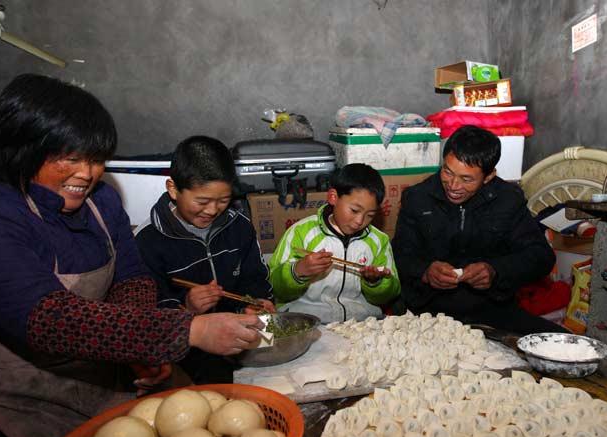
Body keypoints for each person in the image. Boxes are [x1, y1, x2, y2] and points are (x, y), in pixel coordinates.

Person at [0, 74, 261, 437]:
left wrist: (142, 353)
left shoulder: (99, 202)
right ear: (22, 145)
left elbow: (131, 278)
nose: (86, 173)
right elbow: (50, 319)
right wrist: (187, 328)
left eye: (95, 159)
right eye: (69, 156)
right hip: (20, 393)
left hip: (107, 366)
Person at [392, 125, 566, 335]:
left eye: (467, 179)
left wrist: (495, 270)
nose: (453, 185)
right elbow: (399, 255)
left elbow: (541, 257)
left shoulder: (507, 200)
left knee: (564, 344)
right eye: (447, 171)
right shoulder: (418, 198)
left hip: (492, 310)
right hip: (429, 311)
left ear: (489, 176)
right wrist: (425, 272)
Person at [135, 135, 275, 384]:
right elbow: (143, 318)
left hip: (241, 343)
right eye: (202, 201)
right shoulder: (147, 240)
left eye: (223, 200)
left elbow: (255, 278)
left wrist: (256, 302)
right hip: (184, 358)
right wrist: (186, 308)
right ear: (173, 189)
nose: (212, 210)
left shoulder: (239, 226)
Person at [268, 163, 400, 322]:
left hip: (360, 323)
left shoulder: (378, 241)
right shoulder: (301, 233)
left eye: (370, 215)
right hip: (309, 322)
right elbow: (275, 288)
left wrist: (375, 282)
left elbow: (389, 295)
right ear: (333, 197)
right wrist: (298, 271)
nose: (360, 221)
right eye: (354, 210)